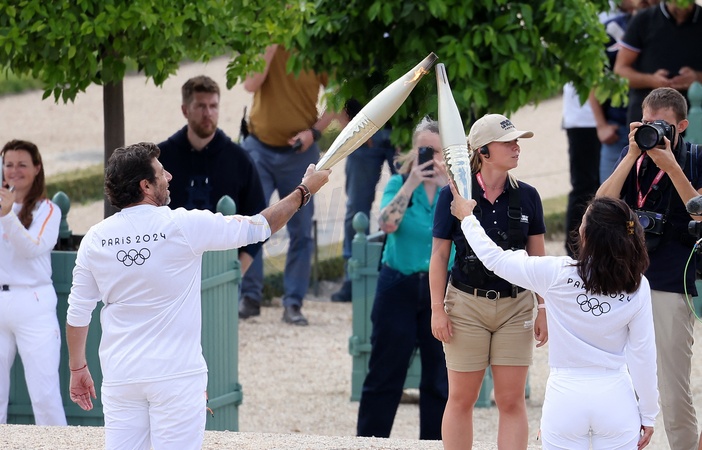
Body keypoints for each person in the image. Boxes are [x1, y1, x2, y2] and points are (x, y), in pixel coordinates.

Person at [65, 142, 329, 449]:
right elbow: (261, 226)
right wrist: (304, 191)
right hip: (176, 375)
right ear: (145, 185)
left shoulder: (95, 239)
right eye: (161, 172)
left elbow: (78, 313)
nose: (169, 176)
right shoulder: (183, 224)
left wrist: (77, 368)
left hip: (121, 375)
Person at [448, 192, 659, 449]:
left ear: (586, 235)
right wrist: (648, 414)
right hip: (615, 396)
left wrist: (468, 219)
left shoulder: (556, 274)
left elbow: (495, 260)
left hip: (565, 397)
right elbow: (643, 356)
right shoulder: (638, 286)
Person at [429, 114, 547, 449]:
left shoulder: (529, 196)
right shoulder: (452, 196)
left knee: (511, 400)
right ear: (483, 151)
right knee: (461, 398)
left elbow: (538, 258)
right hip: (466, 306)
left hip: (516, 307)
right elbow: (439, 256)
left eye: (517, 141)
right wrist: (437, 309)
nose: (517, 147)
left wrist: (543, 307)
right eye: (508, 142)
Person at [597, 87, 702, 450]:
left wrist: (671, 166)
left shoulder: (695, 158)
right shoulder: (633, 157)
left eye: (662, 126)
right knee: (619, 382)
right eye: (645, 123)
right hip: (625, 280)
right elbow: (600, 207)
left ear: (681, 126)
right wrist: (630, 155)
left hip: (671, 282)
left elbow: (700, 213)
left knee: (672, 388)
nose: (653, 132)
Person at [356, 117, 449, 439]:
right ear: (413, 150)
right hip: (398, 285)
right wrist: (411, 184)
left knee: (440, 377)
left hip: (442, 290)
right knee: (385, 373)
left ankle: (436, 444)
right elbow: (387, 224)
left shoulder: (456, 190)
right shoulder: (398, 184)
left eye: (436, 151)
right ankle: (370, 443)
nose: (430, 158)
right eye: (424, 150)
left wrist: (448, 187)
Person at [239, 44, 336, 325]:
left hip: (300, 152)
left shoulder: (316, 43)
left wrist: (314, 132)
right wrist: (270, 47)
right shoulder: (264, 38)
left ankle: (293, 302)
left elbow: (338, 98)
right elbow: (250, 84)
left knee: (301, 230)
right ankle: (250, 297)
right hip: (259, 147)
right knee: (250, 222)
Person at [158, 75, 266, 275]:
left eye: (213, 106)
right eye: (200, 106)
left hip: (222, 272)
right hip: (171, 271)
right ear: (185, 110)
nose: (208, 113)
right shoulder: (161, 160)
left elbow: (258, 217)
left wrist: (237, 273)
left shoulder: (239, 160)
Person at [0, 140, 66, 426]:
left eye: (22, 164)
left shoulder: (47, 210)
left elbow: (32, 248)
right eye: (8, 164)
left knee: (44, 395)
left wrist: (7, 216)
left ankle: (57, 445)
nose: (14, 171)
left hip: (34, 303)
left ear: (37, 168)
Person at [331, 99, 397, 302]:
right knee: (356, 209)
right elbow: (335, 94)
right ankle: (353, 276)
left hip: (403, 128)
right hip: (363, 128)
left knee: (411, 203)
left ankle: (401, 272)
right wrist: (352, 129)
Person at [589, 0, 660, 183]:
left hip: (662, 127)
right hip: (619, 127)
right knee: (609, 194)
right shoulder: (611, 29)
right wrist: (601, 125)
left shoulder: (668, 28)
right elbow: (594, 81)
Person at [614, 1, 702, 126]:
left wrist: (697, 78)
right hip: (648, 119)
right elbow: (620, 71)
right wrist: (651, 80)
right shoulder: (644, 19)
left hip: (696, 119)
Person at [562, 83, 600, 257]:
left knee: (591, 186)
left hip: (589, 119)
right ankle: (575, 248)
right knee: (584, 187)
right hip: (584, 120)